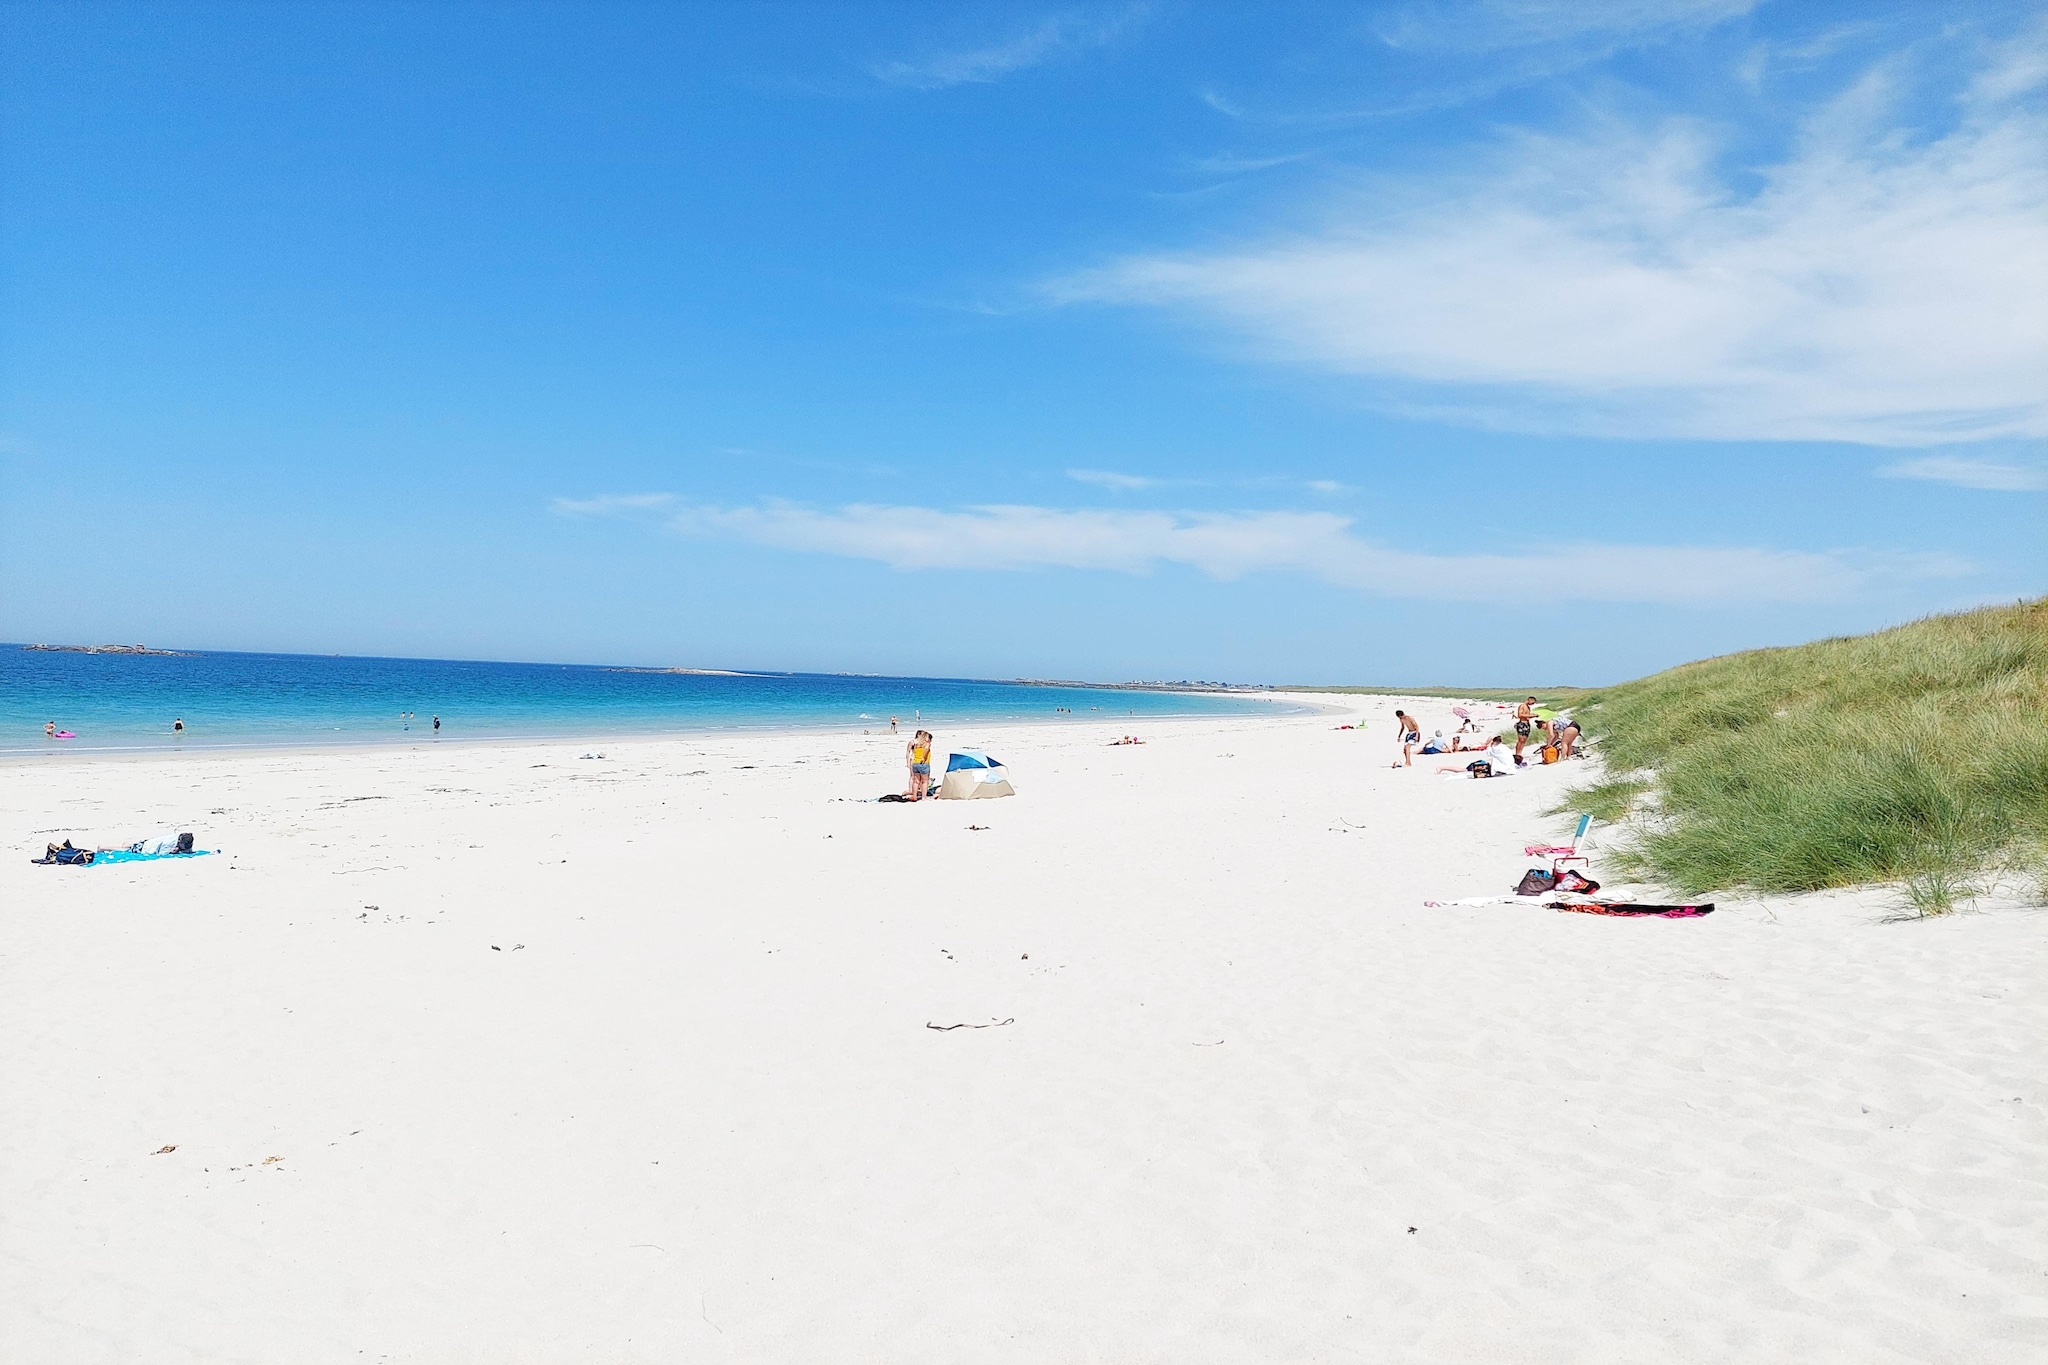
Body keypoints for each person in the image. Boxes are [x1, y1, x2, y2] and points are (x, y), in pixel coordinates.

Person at [904, 729, 933, 801]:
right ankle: (923, 797)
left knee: (916, 781)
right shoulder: (926, 744)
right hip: (924, 763)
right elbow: (926, 749)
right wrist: (923, 757)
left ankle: (914, 796)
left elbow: (911, 752)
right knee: (925, 781)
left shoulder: (916, 744)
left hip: (915, 763)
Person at [1512, 697, 1538, 765]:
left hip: (1527, 723)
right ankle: (1517, 753)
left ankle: (1520, 752)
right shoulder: (1522, 706)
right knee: (1520, 739)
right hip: (1522, 723)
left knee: (1524, 740)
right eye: (1533, 702)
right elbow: (1520, 715)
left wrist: (1533, 716)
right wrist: (1531, 715)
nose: (1533, 704)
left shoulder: (1528, 707)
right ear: (1529, 700)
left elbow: (1527, 716)